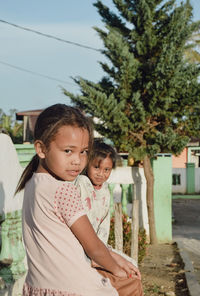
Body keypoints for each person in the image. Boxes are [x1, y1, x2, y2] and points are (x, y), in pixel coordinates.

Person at [16, 104, 131, 296]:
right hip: (75, 288)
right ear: (41, 149)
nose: (77, 160)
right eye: (68, 151)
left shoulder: (31, 183)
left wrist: (116, 259)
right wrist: (119, 270)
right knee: (132, 282)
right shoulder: (63, 190)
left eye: (84, 151)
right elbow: (94, 248)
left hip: (39, 286)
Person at [75, 138, 143, 296]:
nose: (101, 174)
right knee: (125, 276)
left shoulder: (105, 190)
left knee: (132, 266)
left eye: (107, 170)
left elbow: (103, 225)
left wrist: (109, 253)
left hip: (100, 246)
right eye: (96, 167)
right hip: (84, 248)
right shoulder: (82, 184)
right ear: (87, 165)